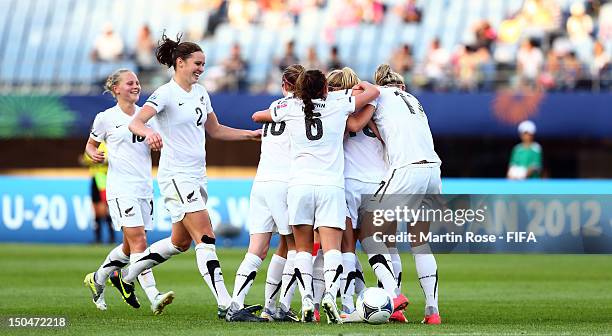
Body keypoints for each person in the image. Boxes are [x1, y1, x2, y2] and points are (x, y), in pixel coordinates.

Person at [111, 33, 260, 319]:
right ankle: (227, 306)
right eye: (197, 63)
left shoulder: (202, 92)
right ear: (179, 63)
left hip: (196, 175)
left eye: (203, 65)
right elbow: (136, 123)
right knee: (206, 237)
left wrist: (247, 135)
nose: (201, 69)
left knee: (179, 243)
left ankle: (127, 276)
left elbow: (214, 130)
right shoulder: (165, 94)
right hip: (177, 176)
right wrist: (151, 132)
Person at [253, 70, 380, 323]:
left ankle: (307, 299)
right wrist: (353, 89)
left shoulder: (290, 106)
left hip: (298, 185)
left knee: (302, 249)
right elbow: (374, 92)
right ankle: (331, 295)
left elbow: (257, 117)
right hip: (330, 186)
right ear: (325, 89)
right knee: (332, 248)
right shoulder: (337, 104)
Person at [83, 69, 174, 315]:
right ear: (116, 89)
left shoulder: (147, 117)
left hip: (144, 187)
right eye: (130, 83)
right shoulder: (105, 118)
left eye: (137, 82)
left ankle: (98, 278)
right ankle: (154, 295)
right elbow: (90, 146)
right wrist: (94, 154)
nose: (136, 86)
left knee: (127, 247)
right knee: (139, 242)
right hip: (121, 188)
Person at [225, 64, 305, 322]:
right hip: (285, 184)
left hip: (261, 183)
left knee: (257, 249)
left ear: (283, 86)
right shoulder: (304, 109)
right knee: (295, 246)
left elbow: (256, 117)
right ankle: (281, 306)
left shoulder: (275, 108)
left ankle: (235, 304)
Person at [366, 64, 443, 324]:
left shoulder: (378, 95)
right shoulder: (414, 100)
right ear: (402, 86)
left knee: (374, 235)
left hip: (406, 169)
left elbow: (372, 125)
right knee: (420, 243)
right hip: (433, 170)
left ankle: (394, 299)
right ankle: (432, 310)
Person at [79, 142, 114, 244]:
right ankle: (98, 238)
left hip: (104, 179)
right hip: (95, 179)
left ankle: (111, 237)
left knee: (105, 209)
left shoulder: (108, 143)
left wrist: (97, 161)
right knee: (96, 210)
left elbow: (108, 160)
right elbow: (86, 159)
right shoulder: (92, 144)